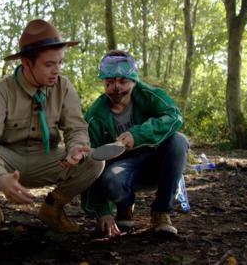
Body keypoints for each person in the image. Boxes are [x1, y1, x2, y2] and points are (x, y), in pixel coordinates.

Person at [0, 19, 104, 235]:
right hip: (8, 159)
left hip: (48, 159)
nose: (57, 70)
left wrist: (76, 147)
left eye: (60, 63)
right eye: (49, 64)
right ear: (26, 63)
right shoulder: (1, 90)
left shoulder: (63, 87)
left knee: (95, 159)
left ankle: (53, 209)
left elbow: (76, 128)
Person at [81, 50, 189, 236]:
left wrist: (138, 134)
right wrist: (102, 212)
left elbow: (174, 116)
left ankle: (161, 212)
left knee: (179, 141)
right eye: (109, 83)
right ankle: (124, 206)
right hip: (121, 170)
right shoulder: (95, 115)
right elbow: (90, 162)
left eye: (122, 82)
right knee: (110, 180)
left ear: (133, 80)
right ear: (103, 83)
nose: (116, 88)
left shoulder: (150, 96)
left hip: (156, 164)